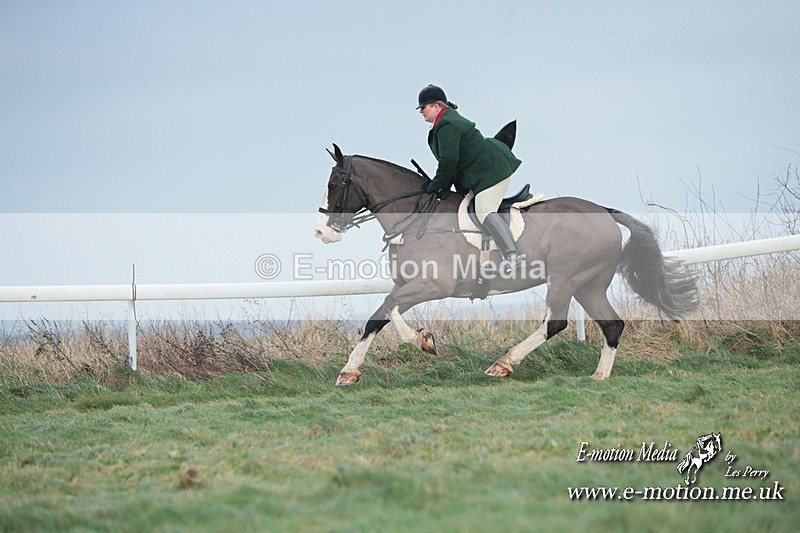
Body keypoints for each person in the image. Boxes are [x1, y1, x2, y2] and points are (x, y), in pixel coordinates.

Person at [417, 84, 526, 270]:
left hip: (492, 171)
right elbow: (454, 162)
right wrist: (443, 186)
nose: (421, 112)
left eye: (423, 107)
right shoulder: (444, 121)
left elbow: (449, 160)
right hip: (481, 172)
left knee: (483, 210)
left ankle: (513, 256)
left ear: (436, 106)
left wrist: (436, 185)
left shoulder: (446, 124)